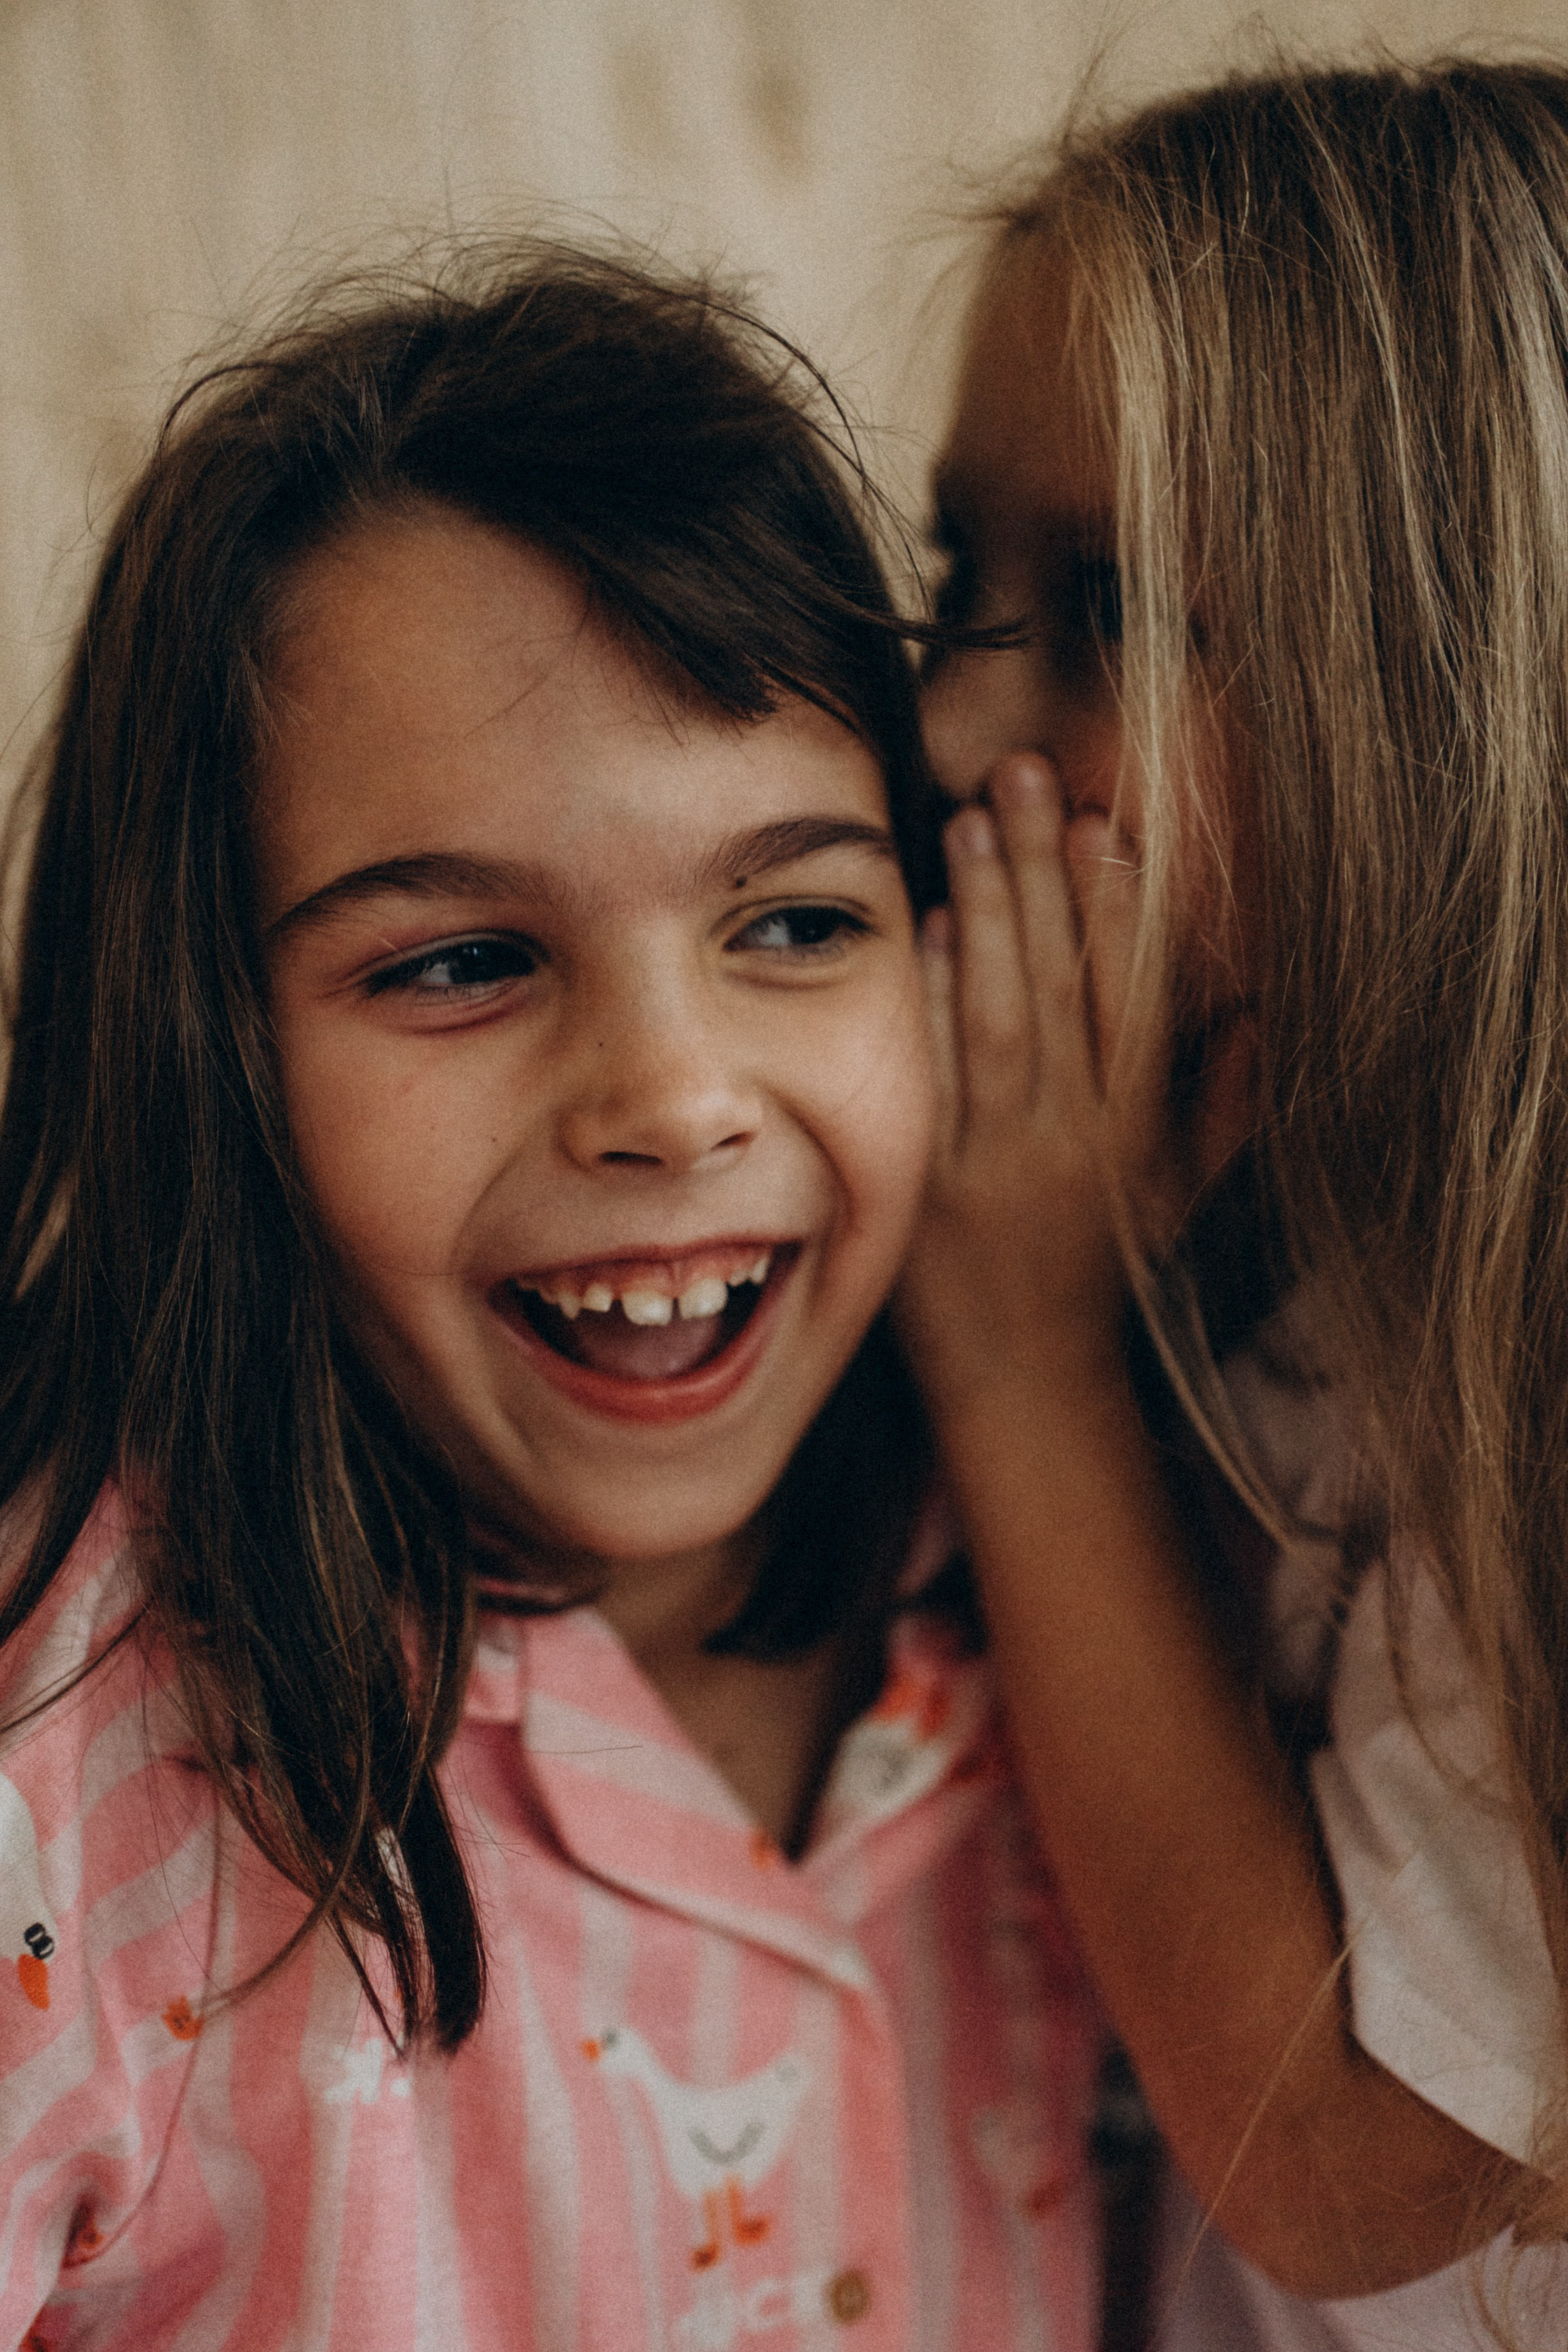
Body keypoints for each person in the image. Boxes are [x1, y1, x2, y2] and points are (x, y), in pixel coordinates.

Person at [0, 249, 1102, 2351]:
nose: (673, 1101)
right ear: (207, 1047)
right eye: (454, 965)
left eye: (794, 919)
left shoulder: (1083, 1584)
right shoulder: (68, 1773)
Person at [899, 58, 1568, 2352]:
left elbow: (1345, 2150)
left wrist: (1024, 1341)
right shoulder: (1253, 1176)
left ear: (1459, 678)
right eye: (950, 586)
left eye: (1100, 606)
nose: (955, 728)